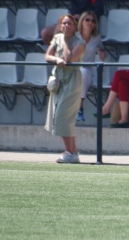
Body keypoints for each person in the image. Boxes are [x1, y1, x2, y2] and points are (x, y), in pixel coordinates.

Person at [44, 14, 86, 163]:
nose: (67, 26)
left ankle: (70, 151)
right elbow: (48, 56)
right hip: (58, 79)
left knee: (63, 116)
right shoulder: (57, 38)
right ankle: (72, 152)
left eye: (70, 24)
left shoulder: (80, 42)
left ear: (75, 26)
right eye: (64, 23)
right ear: (60, 25)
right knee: (61, 117)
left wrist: (67, 41)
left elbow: (69, 59)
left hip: (72, 81)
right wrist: (56, 59)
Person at [75, 11, 106, 122]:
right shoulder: (75, 35)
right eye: (87, 20)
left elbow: (101, 49)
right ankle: (78, 109)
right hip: (73, 68)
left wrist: (101, 51)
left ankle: (79, 108)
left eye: (93, 20)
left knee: (84, 73)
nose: (90, 22)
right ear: (82, 22)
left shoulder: (96, 38)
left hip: (87, 69)